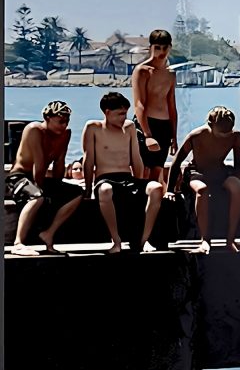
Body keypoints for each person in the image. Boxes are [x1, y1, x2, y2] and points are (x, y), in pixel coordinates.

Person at [82, 91, 164, 253]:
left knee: (156, 188)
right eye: (120, 114)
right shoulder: (93, 128)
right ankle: (116, 240)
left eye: (125, 113)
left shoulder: (129, 127)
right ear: (107, 112)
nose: (123, 118)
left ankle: (143, 240)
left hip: (127, 178)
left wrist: (139, 183)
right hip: (105, 178)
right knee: (105, 190)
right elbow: (88, 160)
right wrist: (88, 189)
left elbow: (136, 158)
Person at [6, 100, 84, 255]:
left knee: (76, 193)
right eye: (60, 121)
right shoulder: (34, 130)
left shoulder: (65, 134)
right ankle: (18, 243)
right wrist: (41, 191)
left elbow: (59, 162)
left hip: (39, 177)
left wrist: (57, 186)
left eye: (67, 121)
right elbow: (39, 163)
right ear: (47, 118)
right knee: (37, 197)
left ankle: (48, 234)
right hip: (19, 177)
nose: (64, 125)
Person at [166, 105, 240, 253]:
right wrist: (169, 190)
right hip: (197, 172)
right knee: (202, 190)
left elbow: (238, 163)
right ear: (211, 125)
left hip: (219, 171)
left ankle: (230, 239)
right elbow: (176, 161)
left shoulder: (235, 136)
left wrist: (237, 179)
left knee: (238, 188)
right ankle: (205, 240)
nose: (225, 136)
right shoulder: (196, 136)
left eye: (227, 133)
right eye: (221, 133)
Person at [131, 28, 178, 183]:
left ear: (170, 47)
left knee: (157, 171)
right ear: (150, 47)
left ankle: (154, 199)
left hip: (165, 126)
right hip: (147, 124)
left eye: (165, 47)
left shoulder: (170, 73)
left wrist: (174, 136)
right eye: (157, 47)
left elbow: (172, 105)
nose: (161, 52)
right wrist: (147, 135)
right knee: (143, 171)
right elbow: (139, 104)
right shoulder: (142, 71)